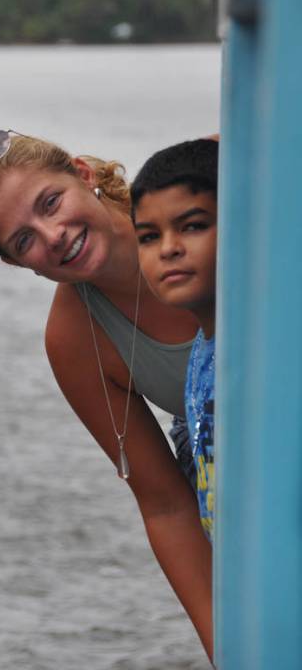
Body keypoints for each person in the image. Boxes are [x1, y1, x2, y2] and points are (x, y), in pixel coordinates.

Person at [0, 129, 213, 660]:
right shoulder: (75, 338)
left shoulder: (194, 190)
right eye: (23, 240)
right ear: (15, 263)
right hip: (227, 455)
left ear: (82, 175)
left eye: (51, 203)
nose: (53, 234)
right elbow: (164, 505)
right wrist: (226, 648)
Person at [131, 138, 218, 543]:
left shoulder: (270, 349)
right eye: (148, 236)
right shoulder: (203, 353)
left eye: (194, 226)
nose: (169, 249)